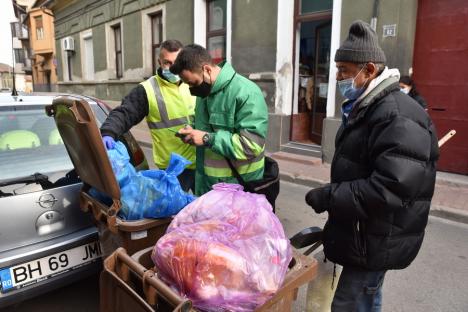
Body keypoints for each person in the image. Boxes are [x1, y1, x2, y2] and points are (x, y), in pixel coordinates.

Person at [304, 20, 439, 311]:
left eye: (344, 71)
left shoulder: (396, 115)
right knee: (366, 298)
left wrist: (330, 196)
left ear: (369, 70)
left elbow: (390, 188)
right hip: (364, 232)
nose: (338, 77)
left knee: (350, 304)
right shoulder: (369, 107)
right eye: (337, 69)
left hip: (376, 237)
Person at [169, 44, 268, 196]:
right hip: (209, 187)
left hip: (239, 190)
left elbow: (251, 145)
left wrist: (207, 138)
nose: (191, 89)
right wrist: (193, 132)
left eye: (193, 83)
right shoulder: (204, 94)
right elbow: (209, 128)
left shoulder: (247, 92)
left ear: (207, 69)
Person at [100, 40, 196, 192]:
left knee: (207, 212)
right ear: (159, 62)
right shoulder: (148, 89)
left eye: (176, 62)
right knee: (174, 214)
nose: (173, 67)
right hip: (173, 168)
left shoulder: (193, 81)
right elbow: (124, 113)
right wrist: (108, 132)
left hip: (201, 162)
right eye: (167, 63)